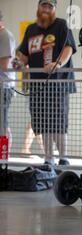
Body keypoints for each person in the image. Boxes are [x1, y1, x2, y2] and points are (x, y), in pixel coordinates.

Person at [15, 0, 77, 166]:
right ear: (38, 7)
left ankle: (63, 157)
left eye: (50, 6)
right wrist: (18, 62)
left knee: (58, 121)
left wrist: (57, 64)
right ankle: (49, 158)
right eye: (44, 5)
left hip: (58, 84)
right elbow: (24, 54)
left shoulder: (61, 25)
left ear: (54, 9)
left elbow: (68, 49)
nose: (46, 9)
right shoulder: (31, 29)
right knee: (42, 121)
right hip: (37, 85)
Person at [0, 10, 16, 149]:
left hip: (4, 87)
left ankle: (4, 157)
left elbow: (5, 65)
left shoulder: (5, 36)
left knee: (2, 123)